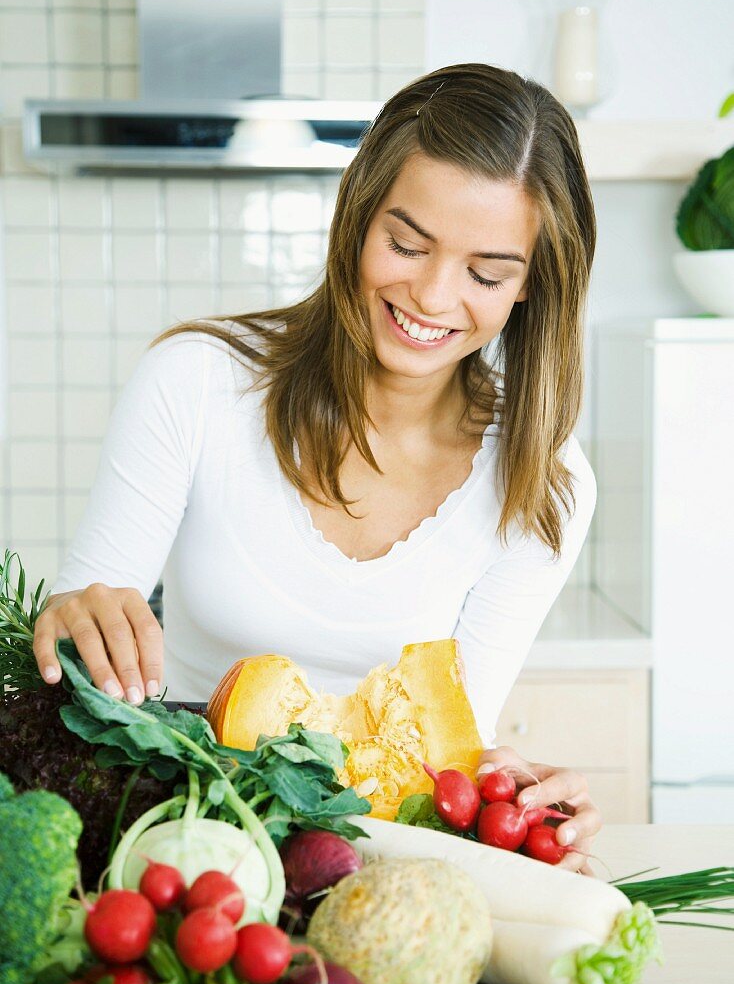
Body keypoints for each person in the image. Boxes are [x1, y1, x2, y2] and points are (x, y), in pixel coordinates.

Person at [33, 63, 600, 869]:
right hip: (178, 837)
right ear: (357, 220)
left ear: (532, 287)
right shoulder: (196, 380)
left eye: (486, 273)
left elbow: (451, 751)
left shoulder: (548, 480)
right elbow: (87, 629)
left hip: (379, 864)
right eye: (406, 243)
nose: (434, 296)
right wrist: (75, 619)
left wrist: (522, 802)